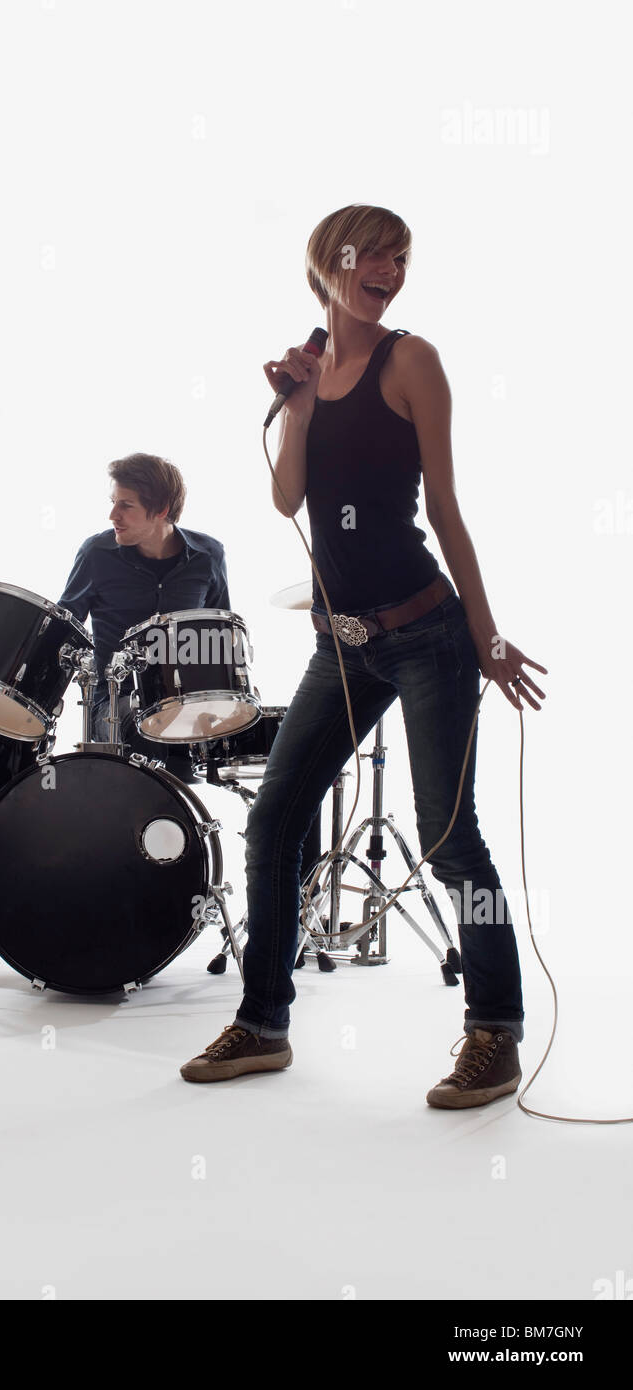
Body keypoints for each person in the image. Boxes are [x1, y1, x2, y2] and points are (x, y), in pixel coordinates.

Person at [180, 204, 547, 1107]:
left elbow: (448, 512)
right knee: (273, 824)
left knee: (449, 839)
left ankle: (493, 1031)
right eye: (374, 254)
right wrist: (302, 408)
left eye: (401, 258)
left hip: (425, 634)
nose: (391, 269)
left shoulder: (411, 360)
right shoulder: (313, 372)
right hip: (338, 646)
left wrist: (486, 633)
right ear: (329, 262)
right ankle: (263, 1024)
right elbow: (285, 499)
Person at [58, 452, 230, 781]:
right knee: (143, 723)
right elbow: (65, 629)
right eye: (113, 502)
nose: (113, 515)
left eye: (126, 505)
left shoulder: (209, 557)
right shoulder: (96, 554)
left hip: (184, 703)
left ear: (162, 510)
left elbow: (220, 639)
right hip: (114, 702)